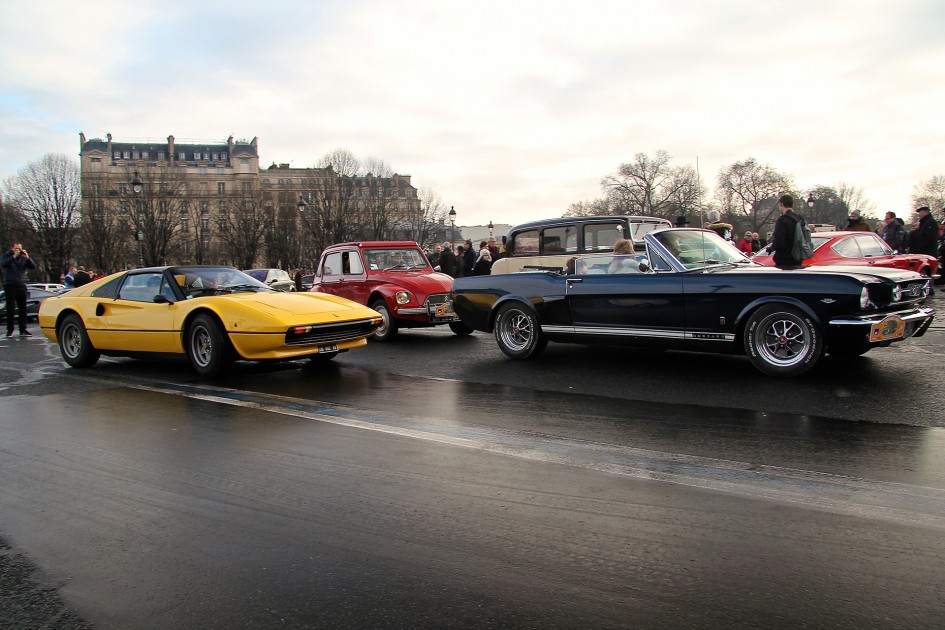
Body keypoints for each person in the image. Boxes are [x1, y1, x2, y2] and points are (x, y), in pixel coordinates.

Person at [1, 242, 37, 337]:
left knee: (22, 308)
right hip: (10, 284)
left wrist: (28, 258)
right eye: (16, 248)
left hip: (21, 285)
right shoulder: (6, 256)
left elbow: (33, 266)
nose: (18, 250)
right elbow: (3, 264)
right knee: (11, 308)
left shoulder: (23, 257)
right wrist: (13, 256)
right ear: (12, 248)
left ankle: (23, 329)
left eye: (19, 249)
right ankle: (10, 330)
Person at [769, 194, 805, 268]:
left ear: (781, 204)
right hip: (798, 257)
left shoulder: (783, 220)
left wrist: (771, 248)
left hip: (785, 259)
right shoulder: (799, 218)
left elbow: (779, 241)